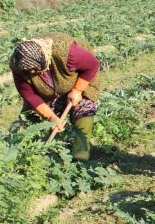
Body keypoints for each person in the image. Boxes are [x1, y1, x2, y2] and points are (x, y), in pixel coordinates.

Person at [10, 32, 101, 160]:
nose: (31, 73)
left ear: (43, 59)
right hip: (47, 91)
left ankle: (81, 155)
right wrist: (52, 118)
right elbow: (29, 95)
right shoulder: (18, 66)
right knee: (29, 118)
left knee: (84, 108)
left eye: (35, 69)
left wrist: (77, 90)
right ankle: (25, 155)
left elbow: (92, 65)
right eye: (28, 71)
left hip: (77, 81)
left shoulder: (66, 52)